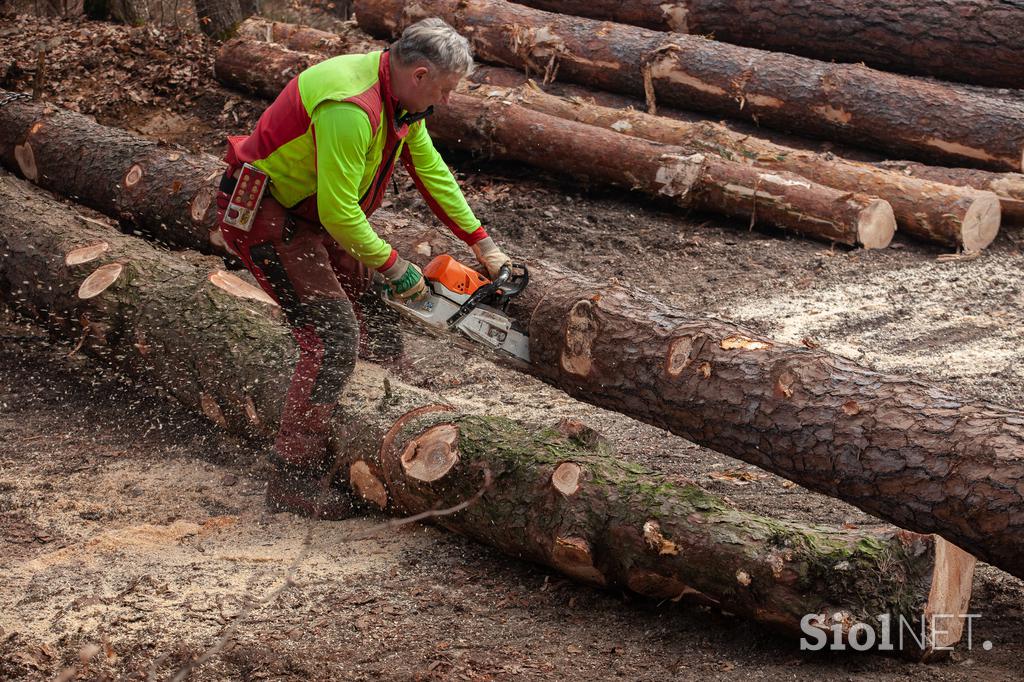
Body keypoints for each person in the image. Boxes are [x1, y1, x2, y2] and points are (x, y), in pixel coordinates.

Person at [214, 18, 511, 518]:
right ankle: (293, 479)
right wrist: (397, 267)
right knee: (331, 336)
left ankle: (389, 398)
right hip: (269, 214)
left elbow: (431, 171)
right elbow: (339, 212)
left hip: (312, 211)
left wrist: (481, 243)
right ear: (418, 74)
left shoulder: (402, 105)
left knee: (370, 301)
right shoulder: (352, 108)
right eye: (444, 88)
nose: (447, 99)